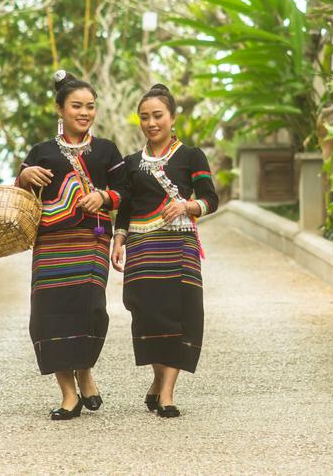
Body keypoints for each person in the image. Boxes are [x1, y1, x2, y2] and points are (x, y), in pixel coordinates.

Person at [16, 70, 128, 420]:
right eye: (76, 106)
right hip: (50, 244)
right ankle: (68, 394)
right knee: (47, 315)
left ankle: (86, 372)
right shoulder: (41, 152)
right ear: (59, 110)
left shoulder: (107, 151)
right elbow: (19, 202)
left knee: (89, 308)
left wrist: (103, 196)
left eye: (90, 107)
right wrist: (23, 177)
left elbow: (126, 193)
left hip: (90, 240)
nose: (84, 112)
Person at [111, 83, 219, 418]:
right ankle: (158, 379)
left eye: (158, 115)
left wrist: (188, 205)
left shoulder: (191, 156)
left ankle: (168, 394)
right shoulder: (130, 163)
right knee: (147, 316)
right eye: (144, 117)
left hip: (179, 246)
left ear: (172, 117)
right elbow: (125, 207)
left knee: (179, 315)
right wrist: (119, 237)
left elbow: (211, 199)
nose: (151, 123)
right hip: (143, 249)